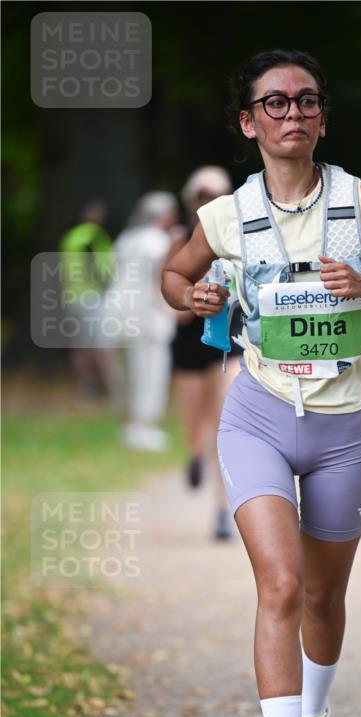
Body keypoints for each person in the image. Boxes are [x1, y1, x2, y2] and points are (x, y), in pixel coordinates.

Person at [162, 49, 361, 717]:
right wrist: (196, 292)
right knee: (277, 584)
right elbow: (175, 278)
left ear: (321, 117)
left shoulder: (357, 198)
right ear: (249, 123)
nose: (292, 114)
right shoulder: (224, 216)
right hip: (259, 417)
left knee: (322, 593)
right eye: (273, 104)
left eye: (305, 101)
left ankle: (315, 715)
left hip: (345, 429)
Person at [172, 166, 244, 540]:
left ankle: (221, 512)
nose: (210, 200)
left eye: (218, 194)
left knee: (223, 427)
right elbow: (166, 290)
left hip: (228, 347)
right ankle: (193, 454)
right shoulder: (179, 240)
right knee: (194, 426)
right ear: (191, 200)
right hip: (189, 345)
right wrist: (189, 299)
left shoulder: (240, 239)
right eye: (202, 194)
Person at [110, 192, 181, 451]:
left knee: (126, 373)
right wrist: (172, 310)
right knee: (150, 370)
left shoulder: (126, 238)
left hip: (116, 310)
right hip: (146, 314)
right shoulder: (159, 242)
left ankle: (129, 423)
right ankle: (144, 428)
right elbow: (158, 280)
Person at [58, 199, 119, 401]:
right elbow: (102, 268)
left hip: (72, 296)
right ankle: (112, 389)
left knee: (80, 345)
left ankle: (86, 387)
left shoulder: (70, 237)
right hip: (92, 297)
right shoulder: (94, 236)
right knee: (103, 344)